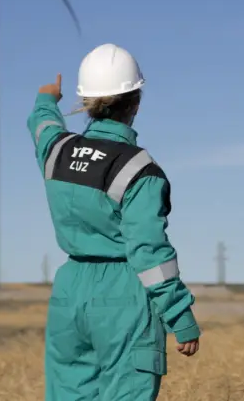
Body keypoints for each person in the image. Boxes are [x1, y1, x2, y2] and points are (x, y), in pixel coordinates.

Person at [28, 43, 201, 401]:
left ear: (86, 101)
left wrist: (46, 99)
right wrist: (180, 318)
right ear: (135, 101)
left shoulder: (57, 151)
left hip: (70, 291)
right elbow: (149, 252)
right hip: (124, 294)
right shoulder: (139, 170)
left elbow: (42, 126)